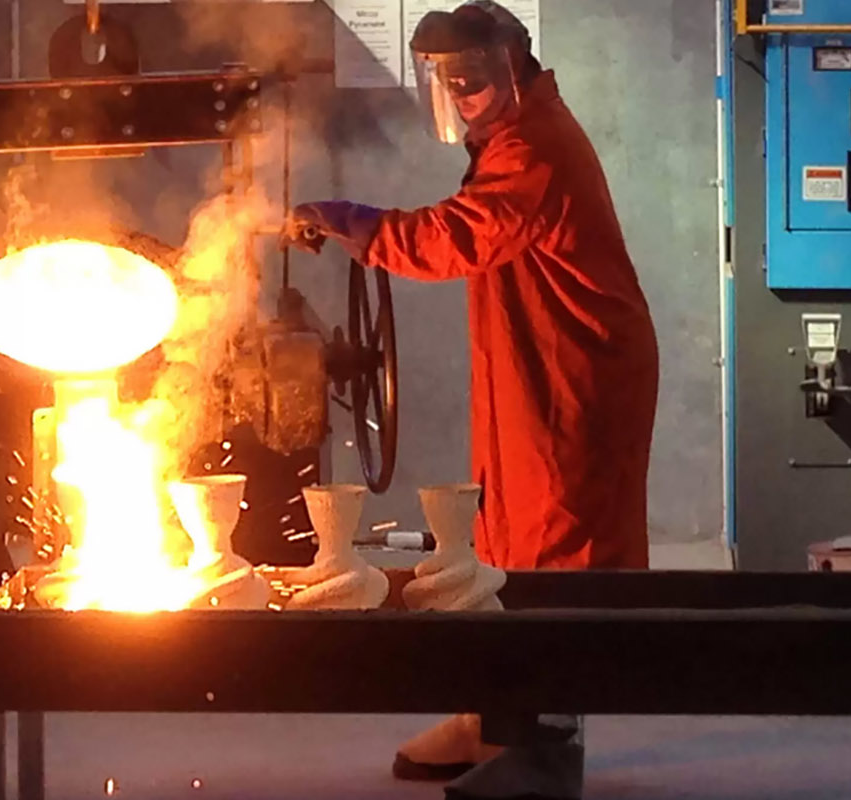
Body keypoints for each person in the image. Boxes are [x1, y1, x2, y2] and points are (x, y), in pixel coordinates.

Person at [285, 2, 659, 799]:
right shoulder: (508, 139)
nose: (462, 99)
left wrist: (357, 222)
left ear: (511, 68)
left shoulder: (535, 147)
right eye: (449, 86)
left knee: (557, 554)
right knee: (500, 540)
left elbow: (457, 239)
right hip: (533, 363)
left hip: (575, 374)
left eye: (474, 84)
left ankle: (548, 750)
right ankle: (491, 720)